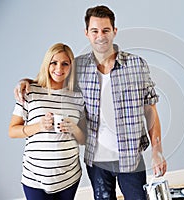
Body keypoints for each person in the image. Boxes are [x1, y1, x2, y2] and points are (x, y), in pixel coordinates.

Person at [14, 5, 166, 200]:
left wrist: (157, 151)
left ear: (114, 31)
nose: (100, 36)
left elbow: (150, 111)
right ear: (86, 33)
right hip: (97, 162)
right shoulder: (77, 66)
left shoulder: (137, 65)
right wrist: (26, 82)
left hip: (131, 158)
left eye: (105, 30)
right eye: (94, 31)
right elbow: (52, 78)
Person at [9, 43, 86, 200]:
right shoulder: (29, 92)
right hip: (34, 179)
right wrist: (39, 126)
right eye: (54, 62)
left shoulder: (78, 97)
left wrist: (74, 129)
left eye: (65, 63)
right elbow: (12, 131)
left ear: (71, 67)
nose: (59, 68)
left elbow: (84, 139)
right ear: (47, 64)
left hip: (68, 178)